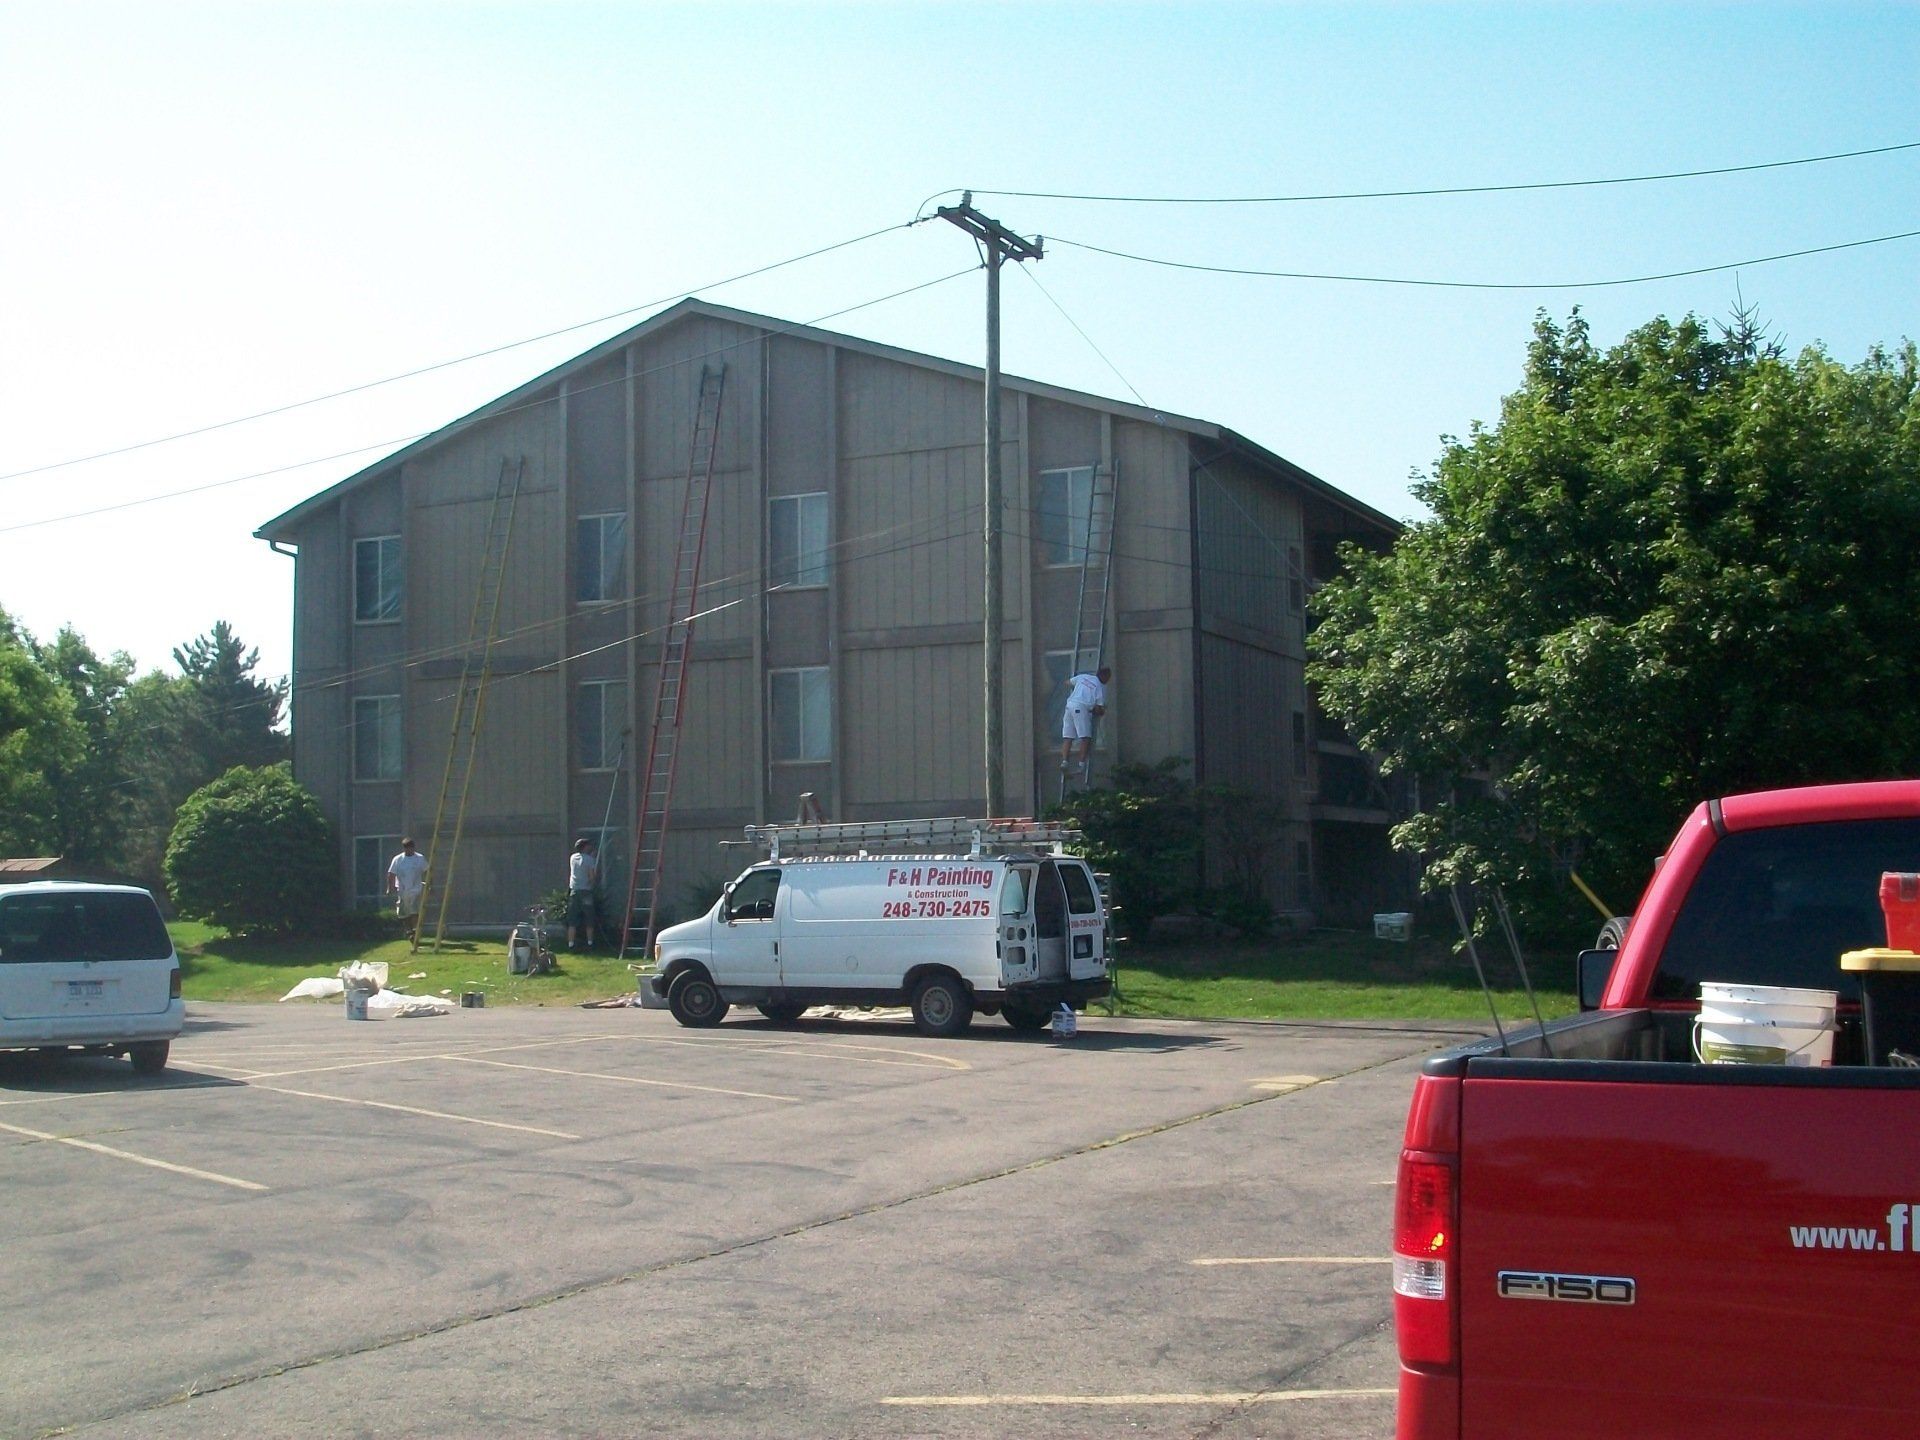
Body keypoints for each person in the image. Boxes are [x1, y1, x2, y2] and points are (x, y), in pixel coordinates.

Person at [1059, 665, 1111, 777]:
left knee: (1068, 737)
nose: (1108, 680)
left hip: (1069, 705)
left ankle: (1064, 762)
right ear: (1104, 676)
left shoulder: (1083, 677)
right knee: (1085, 738)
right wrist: (1100, 711)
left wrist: (1078, 690)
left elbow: (1067, 682)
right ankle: (1081, 765)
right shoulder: (1099, 687)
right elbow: (1098, 708)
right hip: (1081, 708)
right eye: (1108, 678)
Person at [567, 837, 599, 950]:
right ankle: (590, 943)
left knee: (572, 919)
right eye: (588, 846)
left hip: (574, 891)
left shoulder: (572, 858)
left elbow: (580, 862)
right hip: (586, 891)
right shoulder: (590, 859)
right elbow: (591, 876)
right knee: (589, 917)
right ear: (585, 847)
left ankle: (570, 944)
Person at [387, 838, 427, 920]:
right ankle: (409, 930)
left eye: (410, 848)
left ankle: (415, 929)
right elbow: (391, 874)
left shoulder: (419, 858)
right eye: (407, 848)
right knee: (403, 913)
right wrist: (390, 888)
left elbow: (427, 871)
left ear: (413, 848)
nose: (409, 850)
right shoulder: (398, 859)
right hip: (402, 890)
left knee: (415, 911)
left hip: (416, 889)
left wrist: (429, 885)